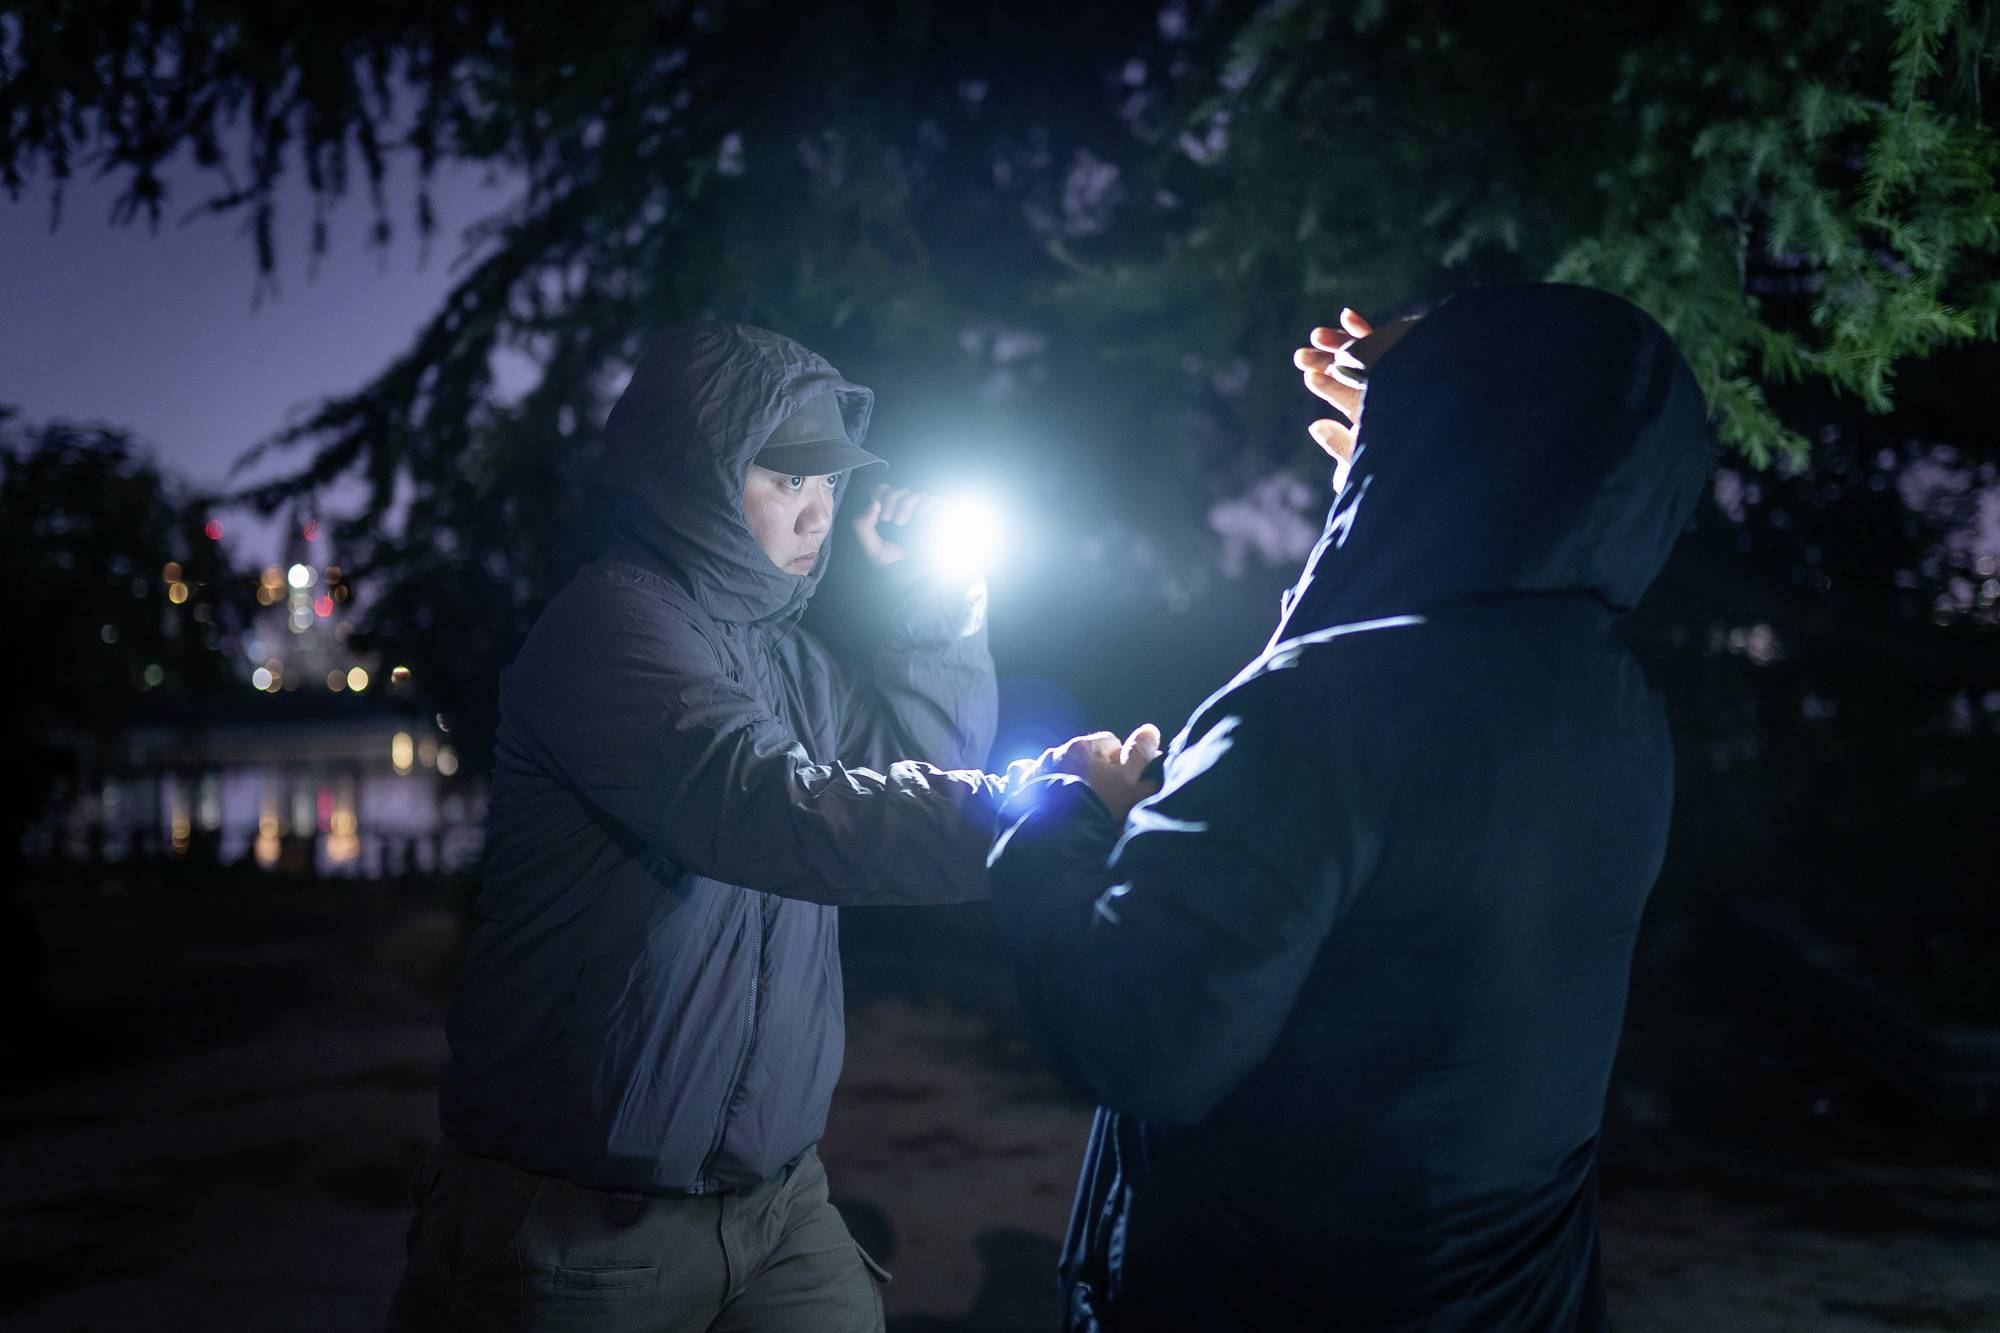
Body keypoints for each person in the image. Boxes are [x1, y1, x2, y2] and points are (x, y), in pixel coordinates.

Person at [989, 284, 1712, 1330]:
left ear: (1452, 445)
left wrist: (1071, 813)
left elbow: (1141, 1037)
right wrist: (1389, 488)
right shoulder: (1618, 715)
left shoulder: (1320, 708)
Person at [387, 321, 1015, 1332]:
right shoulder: (610, 630)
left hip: (776, 1202)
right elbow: (770, 808)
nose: (817, 511)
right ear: (698, 477)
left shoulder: (788, 660)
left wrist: (934, 603)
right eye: (786, 477)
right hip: (578, 1230)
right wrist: (1044, 816)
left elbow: (919, 759)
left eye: (829, 482)